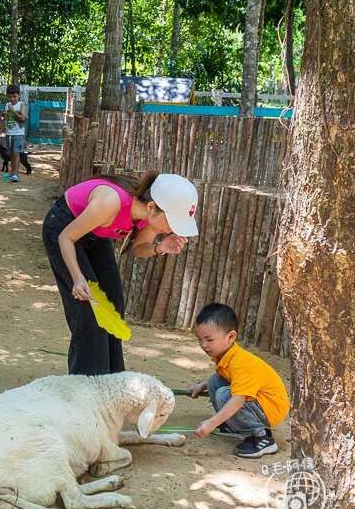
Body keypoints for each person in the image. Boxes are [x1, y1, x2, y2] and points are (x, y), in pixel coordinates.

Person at [42, 172, 198, 375]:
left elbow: (139, 248)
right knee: (90, 309)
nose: (172, 230)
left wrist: (160, 247)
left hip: (95, 232)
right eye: (172, 222)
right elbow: (66, 238)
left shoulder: (150, 216)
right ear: (151, 207)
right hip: (64, 229)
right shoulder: (111, 202)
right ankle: (85, 385)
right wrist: (78, 277)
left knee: (113, 304)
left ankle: (113, 380)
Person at [189, 303, 288, 458]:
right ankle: (235, 426)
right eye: (200, 339)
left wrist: (213, 422)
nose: (203, 345)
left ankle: (261, 437)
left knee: (225, 395)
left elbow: (238, 399)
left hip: (271, 408)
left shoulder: (241, 363)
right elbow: (230, 380)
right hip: (260, 402)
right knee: (214, 380)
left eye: (209, 339)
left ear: (231, 336)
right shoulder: (227, 356)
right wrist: (202, 386)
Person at [0, 84, 31, 181]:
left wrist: (13, 112)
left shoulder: (21, 104)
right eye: (10, 97)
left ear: (19, 95)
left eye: (14, 96)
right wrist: (0, 132)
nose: (12, 99)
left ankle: (16, 174)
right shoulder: (7, 105)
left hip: (18, 134)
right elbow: (5, 118)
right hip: (9, 133)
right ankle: (11, 172)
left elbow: (23, 118)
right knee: (11, 153)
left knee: (16, 153)